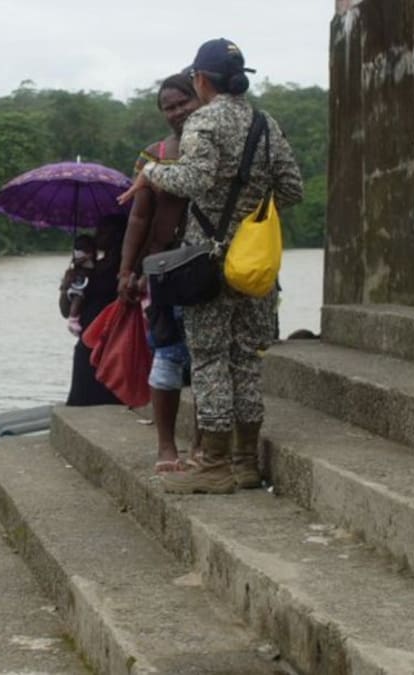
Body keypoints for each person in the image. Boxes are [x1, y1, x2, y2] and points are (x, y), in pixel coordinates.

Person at [118, 38, 303, 493]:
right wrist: (248, 208)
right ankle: (245, 463)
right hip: (255, 264)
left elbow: (195, 178)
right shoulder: (265, 123)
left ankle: (214, 466)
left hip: (211, 264)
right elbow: (293, 189)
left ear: (201, 79)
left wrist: (152, 173)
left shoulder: (204, 121)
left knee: (210, 360)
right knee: (246, 360)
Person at [116, 73, 202, 474]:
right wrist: (126, 272)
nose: (176, 112)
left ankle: (204, 445)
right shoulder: (155, 155)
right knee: (167, 355)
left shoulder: (217, 150)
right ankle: (167, 447)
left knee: (208, 360)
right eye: (168, 107)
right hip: (165, 270)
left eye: (182, 102)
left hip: (210, 267)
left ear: (199, 98)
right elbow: (139, 219)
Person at [60, 224, 124, 406]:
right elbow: (66, 311)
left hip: (109, 339)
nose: (97, 235)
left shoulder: (119, 271)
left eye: (103, 231)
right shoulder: (88, 270)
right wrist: (67, 284)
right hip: (89, 338)